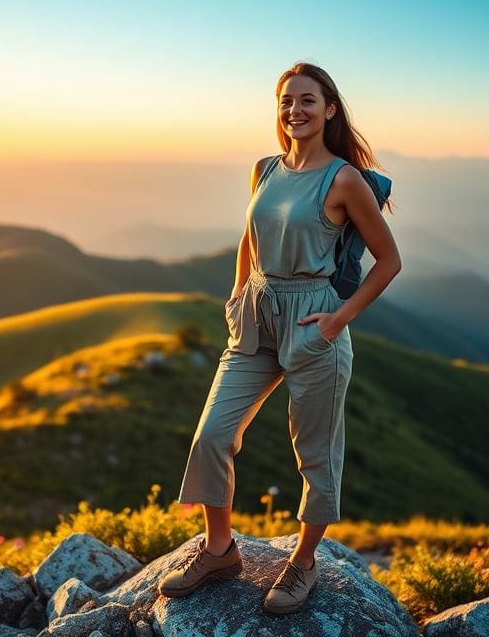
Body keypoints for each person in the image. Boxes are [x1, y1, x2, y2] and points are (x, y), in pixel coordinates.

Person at [157, 62, 402, 614]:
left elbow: (389, 261)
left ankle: (304, 563)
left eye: (307, 101)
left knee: (315, 453)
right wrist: (237, 294)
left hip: (314, 317)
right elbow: (248, 236)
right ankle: (220, 549)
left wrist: (340, 319)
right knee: (212, 435)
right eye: (286, 101)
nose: (295, 110)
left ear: (330, 109)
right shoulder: (264, 169)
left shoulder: (343, 179)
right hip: (257, 313)